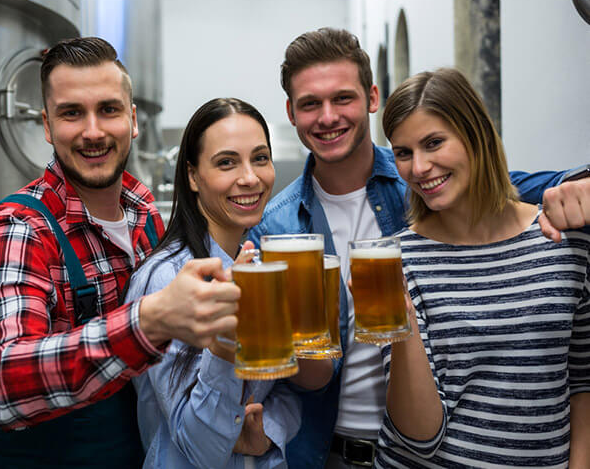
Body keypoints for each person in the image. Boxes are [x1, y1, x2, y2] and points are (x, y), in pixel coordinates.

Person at [248, 27, 590, 468]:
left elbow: (508, 189)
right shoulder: (274, 227)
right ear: (291, 113)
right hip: (335, 450)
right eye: (311, 104)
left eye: (343, 98)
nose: (328, 117)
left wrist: (579, 185)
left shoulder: (423, 182)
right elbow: (293, 377)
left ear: (372, 98)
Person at [0, 37, 241, 469]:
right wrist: (148, 321)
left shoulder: (145, 215)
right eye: (72, 113)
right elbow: (1, 382)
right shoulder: (18, 228)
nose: (93, 131)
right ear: (48, 125)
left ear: (132, 119)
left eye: (108, 109)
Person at [375, 67, 590, 468]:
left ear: (476, 134)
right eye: (403, 153)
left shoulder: (561, 237)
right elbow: (419, 437)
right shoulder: (397, 261)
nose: (418, 168)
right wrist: (402, 321)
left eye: (433, 143)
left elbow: (583, 380)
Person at [125, 97, 334, 468]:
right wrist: (225, 340)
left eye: (260, 158)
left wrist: (266, 431)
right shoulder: (166, 279)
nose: (250, 177)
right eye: (226, 162)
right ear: (192, 176)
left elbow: (287, 389)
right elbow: (199, 448)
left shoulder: (262, 268)